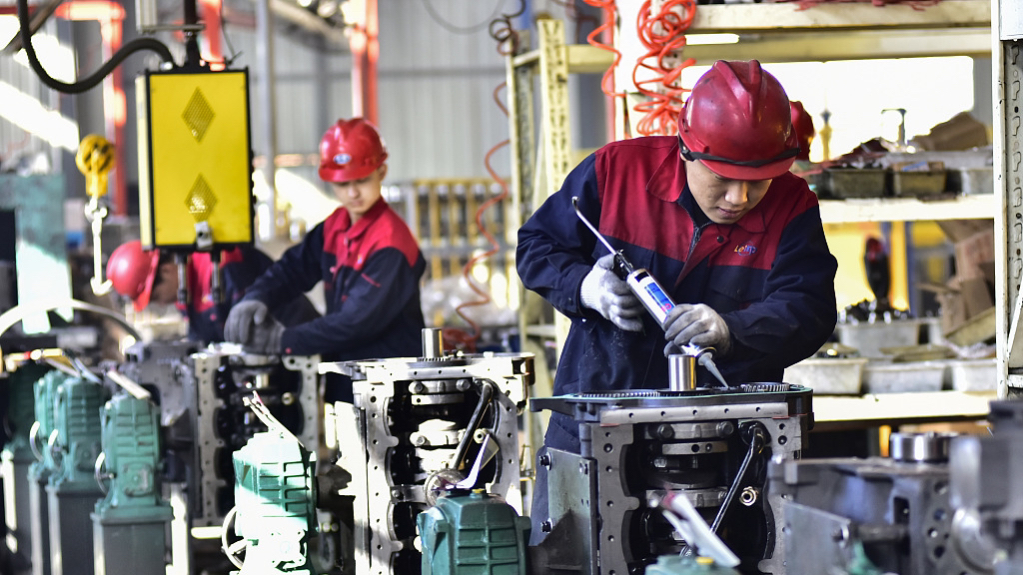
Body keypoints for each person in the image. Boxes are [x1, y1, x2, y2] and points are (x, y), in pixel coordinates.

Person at [516, 60, 838, 539]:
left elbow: (809, 308)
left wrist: (732, 330)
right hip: (593, 433)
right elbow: (537, 246)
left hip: (726, 450)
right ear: (686, 149)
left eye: (759, 179)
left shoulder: (793, 206)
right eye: (723, 176)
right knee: (570, 558)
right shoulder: (615, 172)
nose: (739, 196)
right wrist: (585, 287)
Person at [223, 118, 426, 365]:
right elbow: (293, 269)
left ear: (381, 172)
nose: (353, 193)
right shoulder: (335, 226)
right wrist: (256, 297)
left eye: (362, 180)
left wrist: (283, 340)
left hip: (392, 384)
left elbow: (355, 322)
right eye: (343, 183)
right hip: (348, 375)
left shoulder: (391, 242)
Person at [106, 240, 319, 345]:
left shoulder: (224, 266)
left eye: (155, 296)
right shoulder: (184, 290)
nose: (161, 304)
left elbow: (250, 333)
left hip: (300, 343)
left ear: (167, 270)